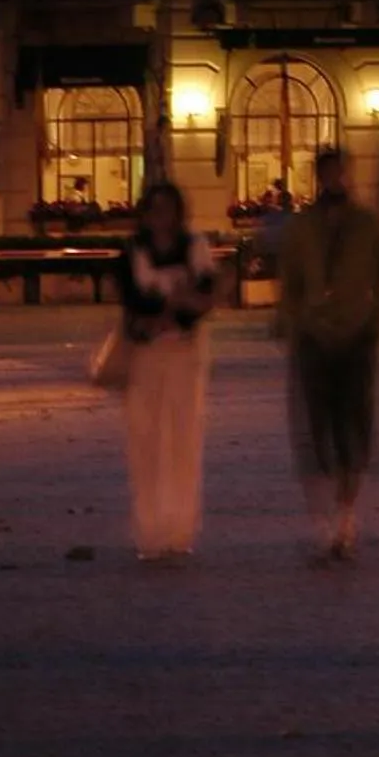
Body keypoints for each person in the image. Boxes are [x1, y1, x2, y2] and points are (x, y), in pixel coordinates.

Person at [278, 146, 379, 562]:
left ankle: (345, 514)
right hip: (314, 339)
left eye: (340, 172)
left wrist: (376, 324)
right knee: (319, 428)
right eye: (327, 173)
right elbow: (289, 283)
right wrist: (296, 322)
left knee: (354, 427)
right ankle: (329, 511)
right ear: (319, 177)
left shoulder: (368, 225)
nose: (335, 180)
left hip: (356, 337)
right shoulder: (302, 227)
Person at [113, 180, 217, 563]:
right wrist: (167, 308)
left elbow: (206, 296)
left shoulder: (195, 247)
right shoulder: (132, 252)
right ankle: (150, 531)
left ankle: (180, 528)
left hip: (184, 353)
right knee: (145, 440)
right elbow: (130, 302)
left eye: (167, 208)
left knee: (183, 438)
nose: (161, 217)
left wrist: (172, 311)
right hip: (145, 355)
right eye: (154, 209)